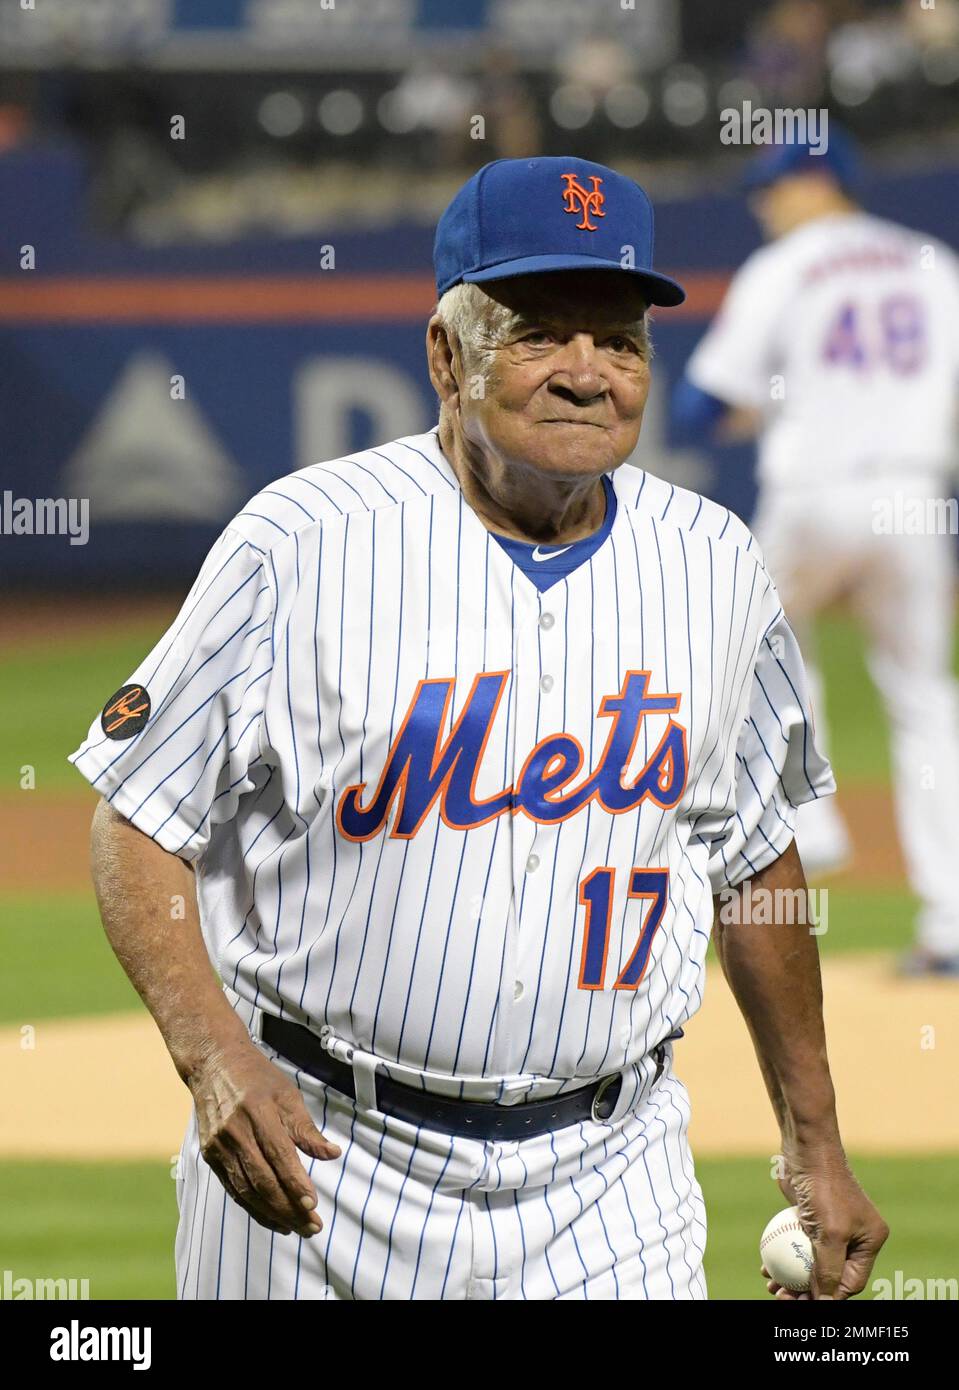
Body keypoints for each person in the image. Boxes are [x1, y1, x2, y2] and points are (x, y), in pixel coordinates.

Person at [70, 156, 887, 1300]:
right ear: (446, 357)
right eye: (542, 333)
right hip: (320, 1170)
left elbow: (753, 858)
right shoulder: (299, 541)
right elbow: (136, 814)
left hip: (611, 1174)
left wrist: (814, 1140)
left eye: (619, 339)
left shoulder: (714, 562)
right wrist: (211, 1054)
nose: (587, 374)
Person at [675, 129, 959, 976]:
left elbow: (696, 407)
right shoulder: (929, 261)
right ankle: (949, 925)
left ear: (812, 181)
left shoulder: (785, 267)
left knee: (760, 657)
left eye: (773, 187)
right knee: (922, 703)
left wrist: (772, 407)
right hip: (913, 494)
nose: (765, 204)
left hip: (812, 495)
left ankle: (814, 825)